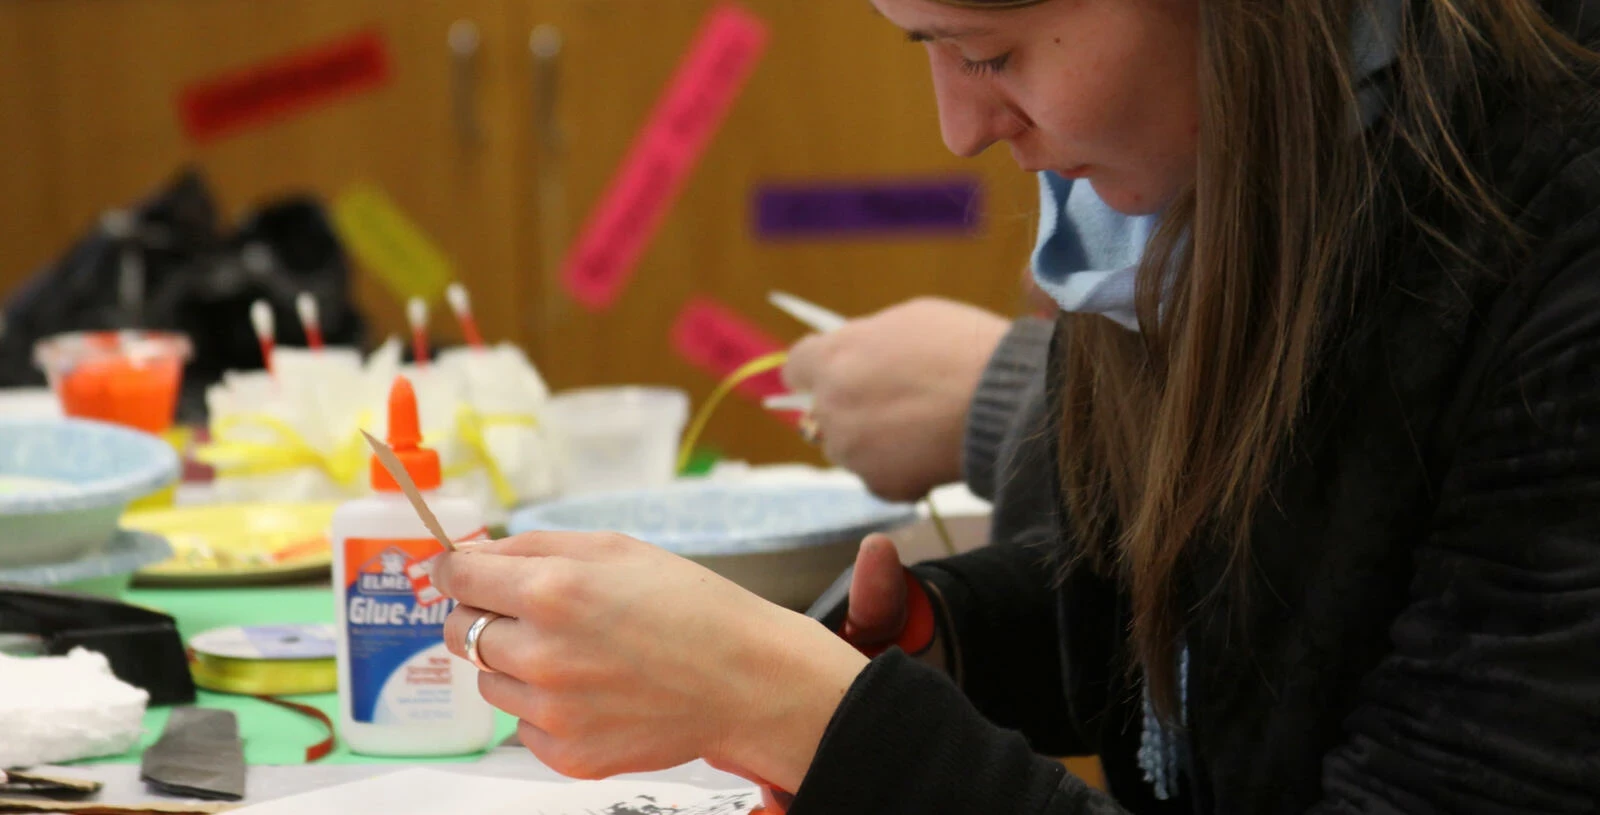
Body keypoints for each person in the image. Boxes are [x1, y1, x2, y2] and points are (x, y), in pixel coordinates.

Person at [430, 0, 1600, 812]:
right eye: (923, 49)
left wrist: (816, 718)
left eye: (987, 54)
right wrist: (956, 644)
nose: (962, 125)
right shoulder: (1210, 171)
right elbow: (1249, 637)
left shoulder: (1545, 252)